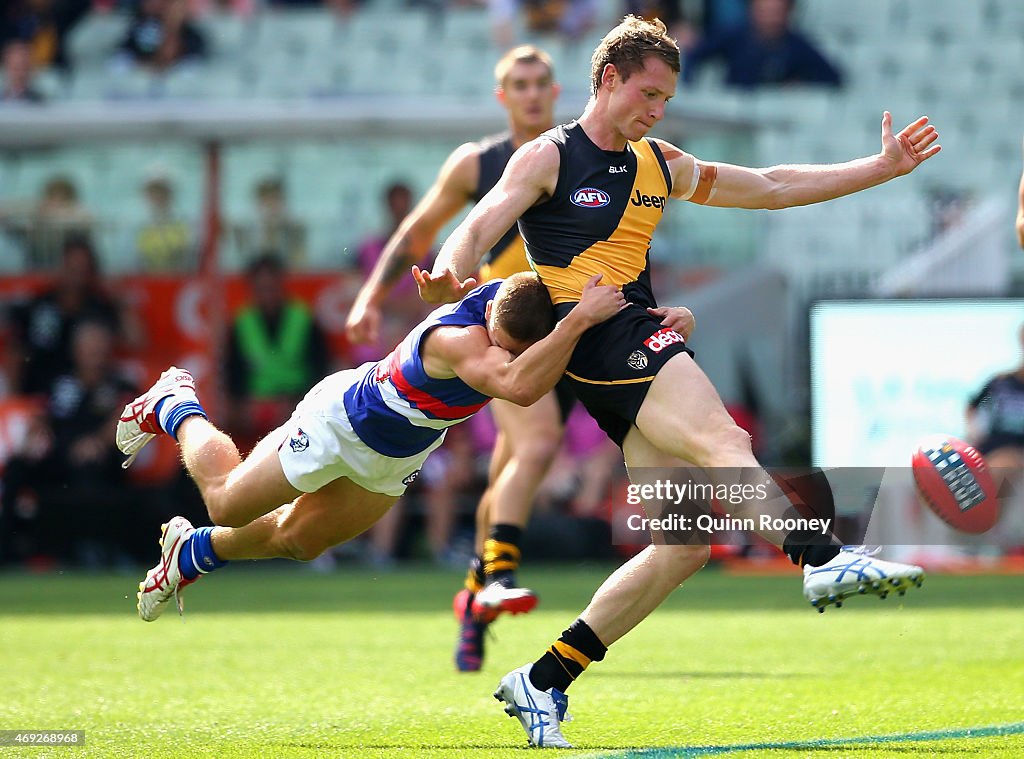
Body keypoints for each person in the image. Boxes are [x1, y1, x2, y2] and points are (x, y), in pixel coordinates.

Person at [416, 15, 938, 747]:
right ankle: (819, 557)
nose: (657, 111)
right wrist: (450, 268)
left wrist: (878, 168)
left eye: (665, 99)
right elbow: (484, 218)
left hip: (631, 338)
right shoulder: (549, 156)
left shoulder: (659, 161)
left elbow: (772, 186)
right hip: (610, 342)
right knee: (722, 436)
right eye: (648, 94)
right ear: (608, 79)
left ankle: (543, 679)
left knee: (683, 545)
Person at [119, 273, 625, 625]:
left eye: (514, 349)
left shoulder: (525, 308)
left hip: (396, 458)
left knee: (301, 542)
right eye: (500, 342)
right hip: (341, 422)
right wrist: (576, 324)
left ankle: (193, 553)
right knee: (225, 504)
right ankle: (175, 403)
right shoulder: (459, 339)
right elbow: (518, 386)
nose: (502, 352)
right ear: (488, 311)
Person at [346, 45, 577, 673]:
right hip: (507, 336)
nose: (532, 94)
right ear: (504, 97)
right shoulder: (477, 164)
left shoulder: (582, 153)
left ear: (557, 91)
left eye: (541, 83)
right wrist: (371, 295)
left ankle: (474, 601)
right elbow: (418, 232)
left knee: (510, 469)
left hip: (576, 331)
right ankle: (499, 576)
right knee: (535, 448)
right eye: (519, 84)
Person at [223, 253, 330, 447]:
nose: (267, 294)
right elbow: (232, 372)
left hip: (297, 401)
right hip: (255, 405)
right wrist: (242, 406)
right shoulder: (241, 323)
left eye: (271, 287)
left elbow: (320, 366)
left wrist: (300, 402)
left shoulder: (303, 318)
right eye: (261, 288)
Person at [683, 0, 842, 89]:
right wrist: (690, 84)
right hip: (735, 107)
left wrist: (801, 84)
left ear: (787, 14)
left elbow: (833, 77)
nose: (770, 19)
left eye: (776, 12)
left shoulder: (797, 45)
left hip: (777, 113)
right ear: (753, 11)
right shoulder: (734, 36)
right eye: (764, 11)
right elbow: (696, 55)